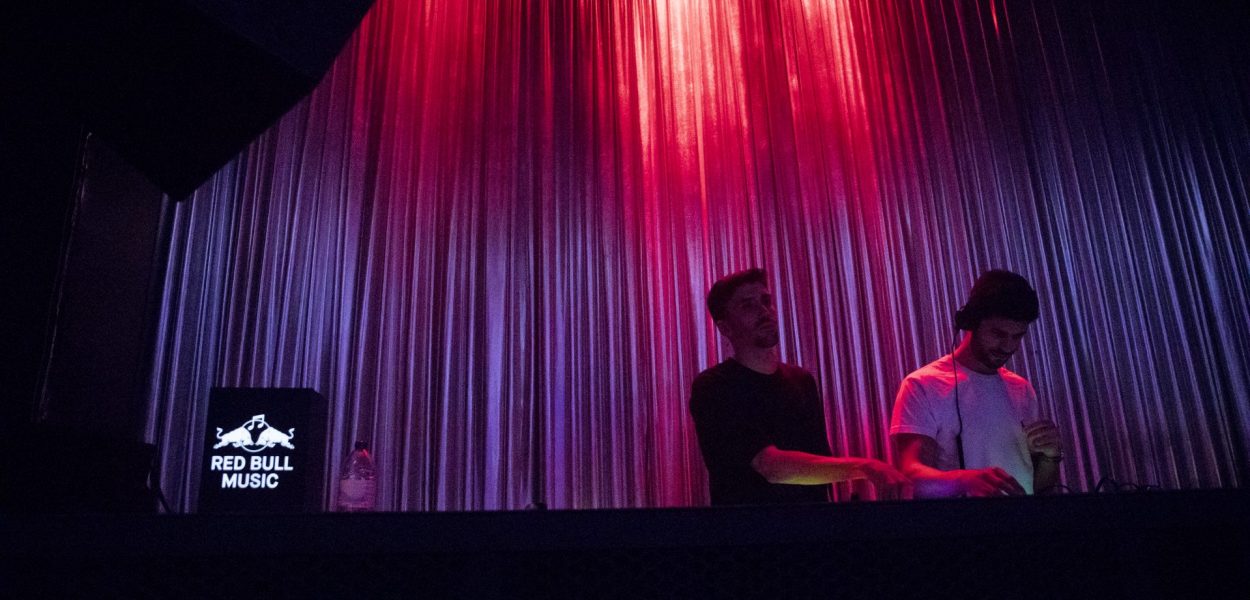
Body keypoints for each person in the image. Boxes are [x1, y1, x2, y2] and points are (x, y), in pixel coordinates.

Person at [690, 268, 911, 505]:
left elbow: (818, 464)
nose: (764, 311)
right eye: (748, 305)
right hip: (749, 526)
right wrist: (866, 467)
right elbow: (770, 466)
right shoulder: (714, 386)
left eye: (766, 301)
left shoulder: (801, 381)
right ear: (725, 328)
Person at [890, 269, 1063, 497]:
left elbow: (1038, 488)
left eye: (1017, 337)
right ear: (972, 322)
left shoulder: (1022, 389)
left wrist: (1050, 458)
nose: (1008, 346)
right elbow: (911, 476)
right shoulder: (922, 386)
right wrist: (964, 481)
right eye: (998, 334)